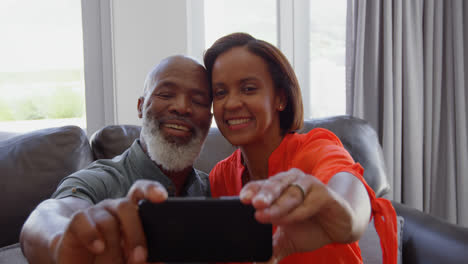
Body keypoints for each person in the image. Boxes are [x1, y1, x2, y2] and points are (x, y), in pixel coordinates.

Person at [204, 33, 398, 264]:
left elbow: (349, 190)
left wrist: (340, 212)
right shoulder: (220, 177)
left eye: (248, 89)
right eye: (221, 93)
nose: (232, 103)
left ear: (281, 99)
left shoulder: (315, 148)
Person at [20, 55, 213, 264]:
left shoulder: (213, 187)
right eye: (166, 94)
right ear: (140, 106)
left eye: (198, 101)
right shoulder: (101, 180)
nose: (182, 107)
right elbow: (47, 216)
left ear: (209, 120)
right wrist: (61, 243)